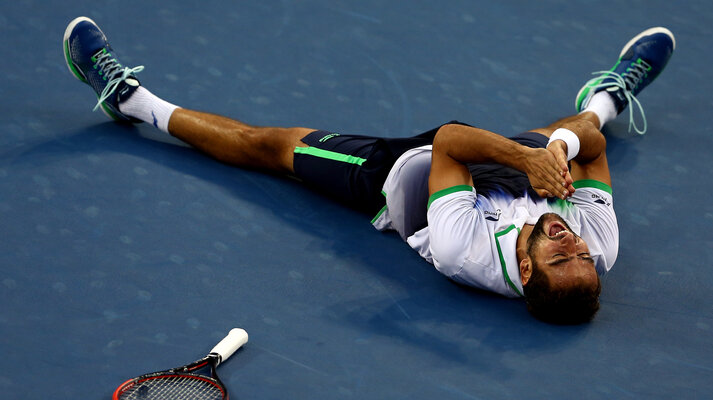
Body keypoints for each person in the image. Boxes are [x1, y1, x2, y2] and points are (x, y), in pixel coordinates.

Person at [63, 17, 675, 324]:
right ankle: (608, 94)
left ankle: (132, 102)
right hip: (512, 182)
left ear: (521, 266)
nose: (571, 243)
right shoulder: (596, 246)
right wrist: (559, 152)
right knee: (572, 134)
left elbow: (451, 142)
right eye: (580, 257)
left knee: (269, 144)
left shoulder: (469, 254)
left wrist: (525, 158)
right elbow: (590, 151)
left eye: (557, 256)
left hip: (414, 174)